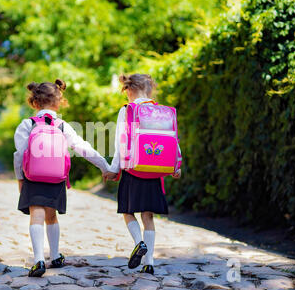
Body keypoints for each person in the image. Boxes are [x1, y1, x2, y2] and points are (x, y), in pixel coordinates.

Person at [14, 79, 110, 277]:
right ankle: (55, 255)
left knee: (36, 216)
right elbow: (82, 148)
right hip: (56, 178)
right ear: (59, 102)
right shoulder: (62, 126)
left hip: (33, 177)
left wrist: (20, 179)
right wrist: (105, 166)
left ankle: (39, 259)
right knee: (51, 216)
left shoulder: (27, 124)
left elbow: (19, 154)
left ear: (34, 102)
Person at [104, 74, 182, 274]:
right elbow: (173, 138)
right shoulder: (162, 111)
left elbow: (120, 143)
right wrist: (176, 164)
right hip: (155, 171)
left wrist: (114, 169)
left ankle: (139, 243)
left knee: (128, 212)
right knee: (148, 217)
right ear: (150, 89)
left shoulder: (127, 110)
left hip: (133, 170)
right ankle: (149, 264)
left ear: (128, 90)